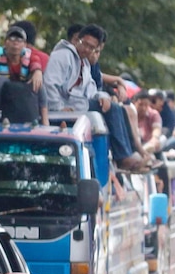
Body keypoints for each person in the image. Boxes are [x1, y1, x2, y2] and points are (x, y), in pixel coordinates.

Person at [44, 24, 149, 171]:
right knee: (113, 109)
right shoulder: (62, 56)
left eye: (91, 47)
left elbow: (91, 89)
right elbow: (49, 84)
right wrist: (59, 108)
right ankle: (124, 157)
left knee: (115, 107)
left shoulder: (85, 63)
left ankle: (127, 155)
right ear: (78, 40)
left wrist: (102, 97)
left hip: (80, 105)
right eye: (84, 44)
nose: (86, 49)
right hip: (63, 107)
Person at [0, 25, 49, 124]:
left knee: (38, 80)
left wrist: (37, 72)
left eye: (19, 40)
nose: (15, 42)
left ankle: (45, 119)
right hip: (7, 94)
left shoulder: (31, 57)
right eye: (12, 39)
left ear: (24, 44)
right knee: (1, 80)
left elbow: (36, 65)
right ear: (6, 43)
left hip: (26, 92)